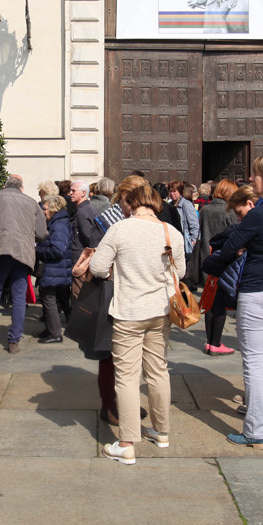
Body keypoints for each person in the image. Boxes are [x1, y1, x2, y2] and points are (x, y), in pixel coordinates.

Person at [203, 156, 263, 449]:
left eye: (256, 174)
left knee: (254, 363)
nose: (251, 179)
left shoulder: (261, 213)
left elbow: (229, 247)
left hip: (257, 293)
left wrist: (210, 265)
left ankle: (255, 430)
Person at [90, 179, 184, 464]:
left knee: (127, 378)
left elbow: (96, 268)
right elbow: (179, 272)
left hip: (129, 311)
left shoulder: (120, 229)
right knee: (158, 371)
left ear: (131, 204)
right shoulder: (171, 232)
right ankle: (161, 431)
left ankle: (127, 441)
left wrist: (118, 273)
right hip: (160, 311)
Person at [0, 175, 48, 354]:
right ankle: (14, 341)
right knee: (18, 298)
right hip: (22, 254)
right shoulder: (31, 202)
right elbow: (42, 233)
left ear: (4, 185)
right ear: (21, 187)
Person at [196, 179, 239, 355]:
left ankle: (209, 341)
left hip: (207, 257)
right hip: (224, 260)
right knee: (219, 302)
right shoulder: (229, 212)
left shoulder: (205, 209)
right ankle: (216, 342)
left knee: (209, 301)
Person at [35, 194, 72, 344]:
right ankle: (50, 329)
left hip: (54, 267)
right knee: (47, 297)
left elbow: (58, 249)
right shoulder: (58, 222)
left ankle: (55, 333)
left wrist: (38, 250)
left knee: (49, 299)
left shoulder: (59, 224)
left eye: (45, 209)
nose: (43, 211)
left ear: (53, 209)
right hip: (55, 268)